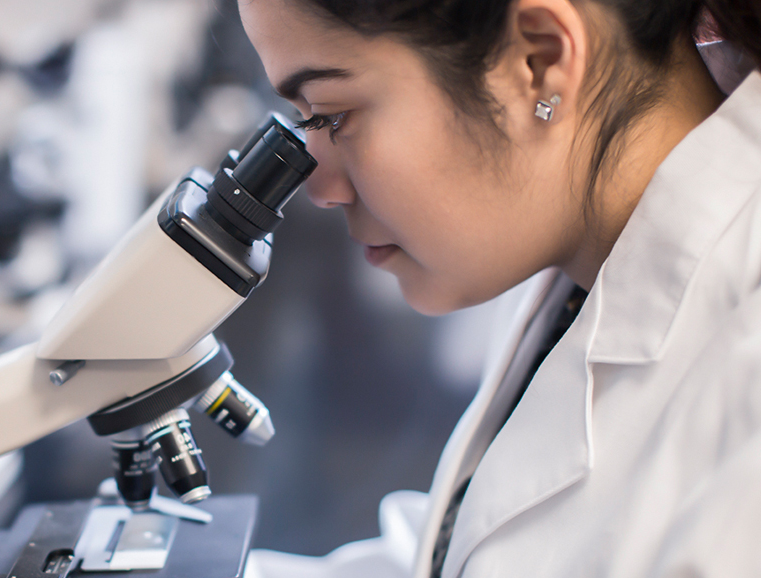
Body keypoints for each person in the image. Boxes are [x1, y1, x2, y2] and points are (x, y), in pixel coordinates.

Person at [237, 0, 761, 576]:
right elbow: (470, 552)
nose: (321, 189)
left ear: (539, 62)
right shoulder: (573, 257)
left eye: (333, 115)